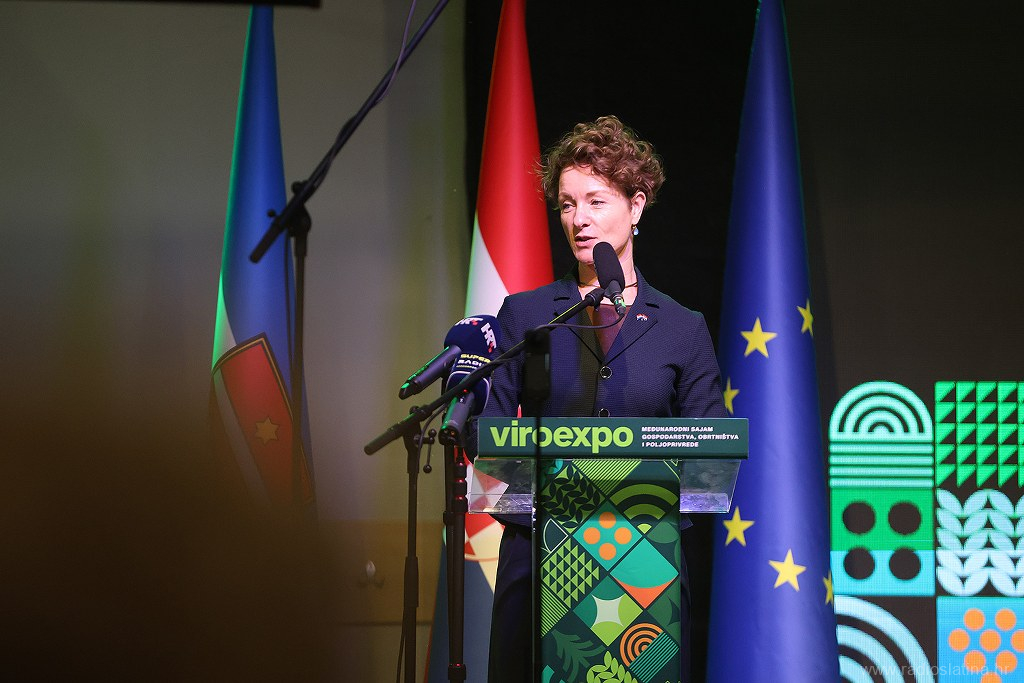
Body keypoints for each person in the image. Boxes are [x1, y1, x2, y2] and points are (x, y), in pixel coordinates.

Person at [474, 115, 727, 683]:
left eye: (595, 201)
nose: (578, 219)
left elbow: (711, 453)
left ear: (636, 206)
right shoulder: (527, 314)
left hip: (646, 563)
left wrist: (637, 507)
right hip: (538, 558)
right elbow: (488, 437)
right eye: (566, 204)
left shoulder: (682, 327)